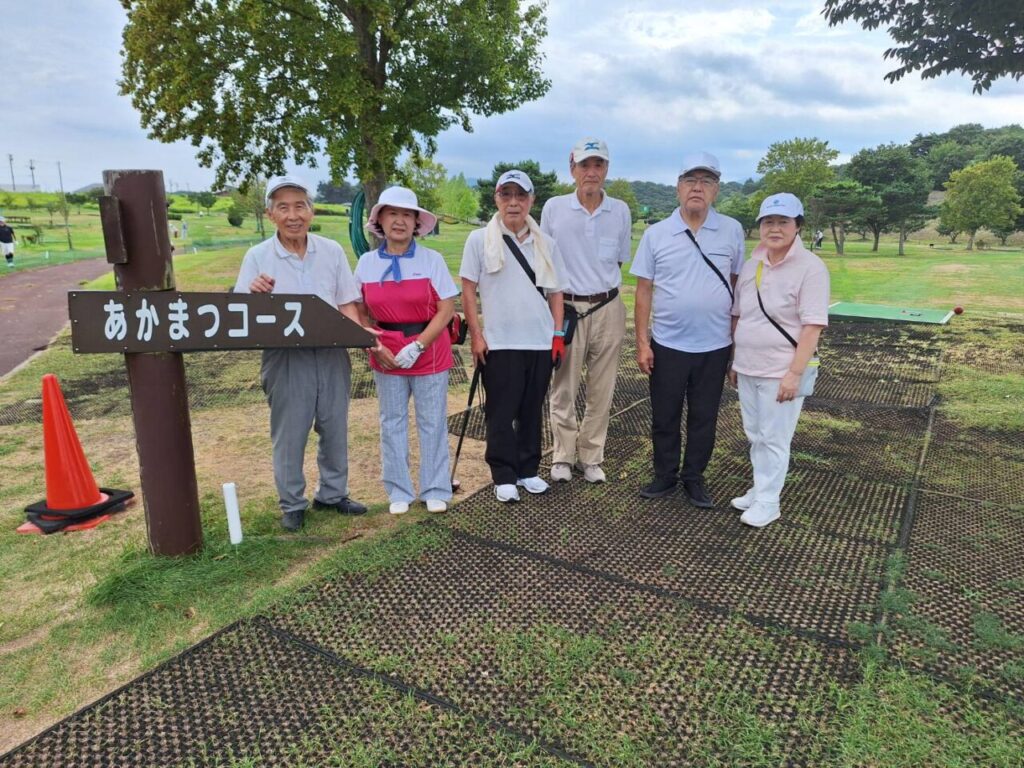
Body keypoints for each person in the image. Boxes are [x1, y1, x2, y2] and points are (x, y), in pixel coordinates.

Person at [234, 175, 370, 531]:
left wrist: (356, 336)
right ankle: (292, 502)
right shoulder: (258, 256)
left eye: (300, 206)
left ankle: (333, 494)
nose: (293, 215)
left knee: (334, 425)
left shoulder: (332, 250)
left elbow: (346, 301)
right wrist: (254, 294)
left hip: (331, 350)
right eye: (283, 207)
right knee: (290, 432)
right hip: (284, 355)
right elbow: (239, 312)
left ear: (311, 211)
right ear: (270, 214)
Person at [630, 151, 744, 506]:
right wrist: (642, 343)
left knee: (704, 416)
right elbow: (644, 290)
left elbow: (737, 284)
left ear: (716, 189)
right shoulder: (657, 234)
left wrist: (736, 346)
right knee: (665, 415)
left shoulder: (731, 230)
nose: (698, 187)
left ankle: (694, 477)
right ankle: (665, 475)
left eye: (706, 181)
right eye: (690, 180)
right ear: (678, 187)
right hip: (668, 343)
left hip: (715, 344)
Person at [460, 169, 567, 503]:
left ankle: (528, 469)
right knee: (500, 412)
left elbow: (556, 293)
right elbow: (468, 289)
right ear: (497, 199)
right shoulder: (479, 240)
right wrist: (476, 335)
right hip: (499, 341)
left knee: (532, 410)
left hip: (538, 341)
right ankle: (503, 473)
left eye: (521, 195)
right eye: (506, 195)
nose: (513, 202)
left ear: (531, 200)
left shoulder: (546, 244)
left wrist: (557, 335)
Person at [353, 187, 457, 515]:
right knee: (392, 421)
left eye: (407, 215)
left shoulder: (431, 260)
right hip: (385, 351)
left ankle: (435, 488)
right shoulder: (367, 263)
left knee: (432, 421)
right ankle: (398, 489)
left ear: (416, 222)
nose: (399, 221)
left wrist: (419, 344)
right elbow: (359, 310)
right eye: (392, 214)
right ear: (380, 220)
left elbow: (446, 309)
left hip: (429, 348)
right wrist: (375, 344)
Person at [729, 193, 829, 528]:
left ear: (798, 226)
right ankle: (760, 489)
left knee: (774, 437)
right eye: (768, 222)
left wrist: (794, 374)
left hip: (781, 370)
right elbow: (740, 315)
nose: (774, 228)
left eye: (783, 222)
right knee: (755, 433)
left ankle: (769, 502)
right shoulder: (751, 265)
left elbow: (812, 326)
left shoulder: (811, 268)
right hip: (748, 365)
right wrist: (734, 360)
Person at [541, 137, 632, 485]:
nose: (591, 172)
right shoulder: (554, 208)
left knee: (602, 388)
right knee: (563, 387)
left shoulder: (620, 211)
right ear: (572, 169)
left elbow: (618, 260)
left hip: (608, 305)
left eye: (598, 165)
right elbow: (545, 262)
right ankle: (563, 455)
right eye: (584, 165)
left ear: (606, 169)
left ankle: (591, 456)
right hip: (566, 308)